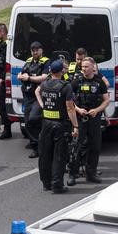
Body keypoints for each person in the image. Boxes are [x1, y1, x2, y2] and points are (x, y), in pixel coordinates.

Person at [35, 59, 79, 194]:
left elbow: (37, 92)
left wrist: (43, 105)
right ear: (61, 72)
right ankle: (57, 185)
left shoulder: (44, 83)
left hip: (46, 124)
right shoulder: (65, 86)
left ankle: (46, 183)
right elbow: (70, 108)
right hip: (60, 125)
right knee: (59, 155)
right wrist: (75, 126)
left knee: (45, 154)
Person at [67, 57, 109, 186]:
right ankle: (72, 174)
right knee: (76, 147)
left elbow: (106, 100)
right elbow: (69, 100)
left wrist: (97, 110)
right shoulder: (76, 81)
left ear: (93, 67)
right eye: (82, 67)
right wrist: (78, 109)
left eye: (86, 67)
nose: (84, 69)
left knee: (95, 147)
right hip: (80, 119)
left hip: (94, 118)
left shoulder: (99, 82)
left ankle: (91, 173)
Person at [18, 40, 50, 157]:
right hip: (27, 95)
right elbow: (21, 74)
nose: (35, 52)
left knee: (33, 118)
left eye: (37, 50)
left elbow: (44, 77)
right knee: (27, 122)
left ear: (41, 50)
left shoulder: (46, 62)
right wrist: (21, 76)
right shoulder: (28, 62)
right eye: (33, 50)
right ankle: (35, 146)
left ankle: (43, 143)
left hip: (38, 96)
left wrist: (29, 78)